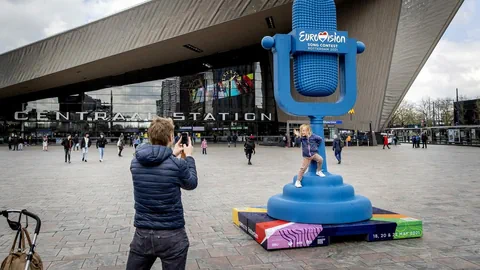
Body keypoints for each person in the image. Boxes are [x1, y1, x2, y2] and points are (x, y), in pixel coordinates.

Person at [126, 117, 197, 270]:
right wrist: (189, 157)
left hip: (143, 235)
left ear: (149, 136)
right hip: (172, 235)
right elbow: (191, 184)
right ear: (171, 137)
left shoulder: (135, 162)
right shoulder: (178, 164)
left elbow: (156, 161)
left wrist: (172, 153)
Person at [293, 124, 325, 188]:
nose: (302, 132)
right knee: (303, 169)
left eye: (304, 130)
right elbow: (297, 143)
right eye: (301, 130)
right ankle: (298, 181)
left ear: (308, 131)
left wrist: (316, 146)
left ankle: (318, 171)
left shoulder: (313, 136)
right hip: (306, 156)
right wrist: (297, 136)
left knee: (320, 159)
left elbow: (320, 139)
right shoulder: (302, 138)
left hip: (314, 154)